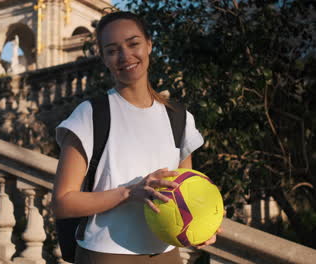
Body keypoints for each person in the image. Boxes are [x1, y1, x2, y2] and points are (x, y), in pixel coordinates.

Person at [52, 11, 217, 264]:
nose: (125, 56)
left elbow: (186, 191)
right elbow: (63, 202)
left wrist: (202, 224)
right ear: (104, 58)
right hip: (105, 255)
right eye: (112, 50)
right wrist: (129, 192)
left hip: (166, 255)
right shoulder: (90, 114)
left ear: (149, 44)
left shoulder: (179, 118)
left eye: (133, 43)